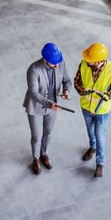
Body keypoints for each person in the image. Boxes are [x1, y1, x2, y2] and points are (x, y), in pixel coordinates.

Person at [23, 43, 72, 175]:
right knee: (37, 135)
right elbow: (34, 93)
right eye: (53, 64)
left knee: (48, 132)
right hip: (36, 107)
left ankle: (44, 153)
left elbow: (67, 80)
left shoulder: (60, 63)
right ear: (44, 60)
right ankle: (36, 159)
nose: (57, 66)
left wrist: (66, 90)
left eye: (58, 63)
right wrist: (50, 104)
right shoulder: (33, 69)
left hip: (52, 107)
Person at [74, 42, 111, 177]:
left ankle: (100, 163)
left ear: (99, 61)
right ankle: (92, 148)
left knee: (100, 136)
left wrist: (106, 96)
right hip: (86, 107)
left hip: (102, 111)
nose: (87, 62)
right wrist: (82, 91)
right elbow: (77, 81)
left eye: (91, 60)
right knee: (90, 130)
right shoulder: (83, 64)